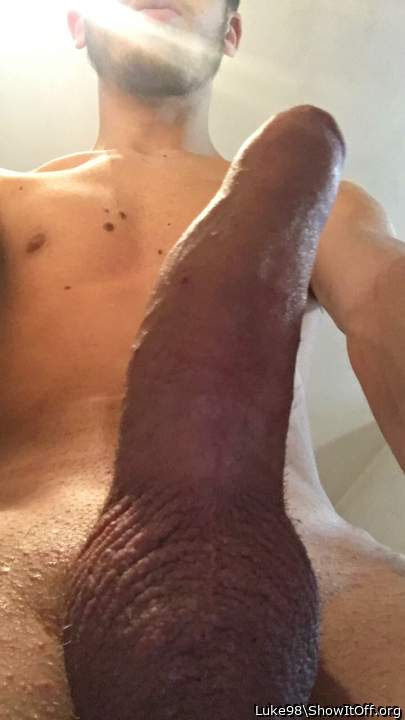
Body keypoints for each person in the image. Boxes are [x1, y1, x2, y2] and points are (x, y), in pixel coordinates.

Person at [0, 1, 404, 717]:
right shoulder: (9, 199)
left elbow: (382, 296)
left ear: (232, 30)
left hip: (312, 559)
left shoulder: (318, 202)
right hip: (20, 547)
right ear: (77, 23)